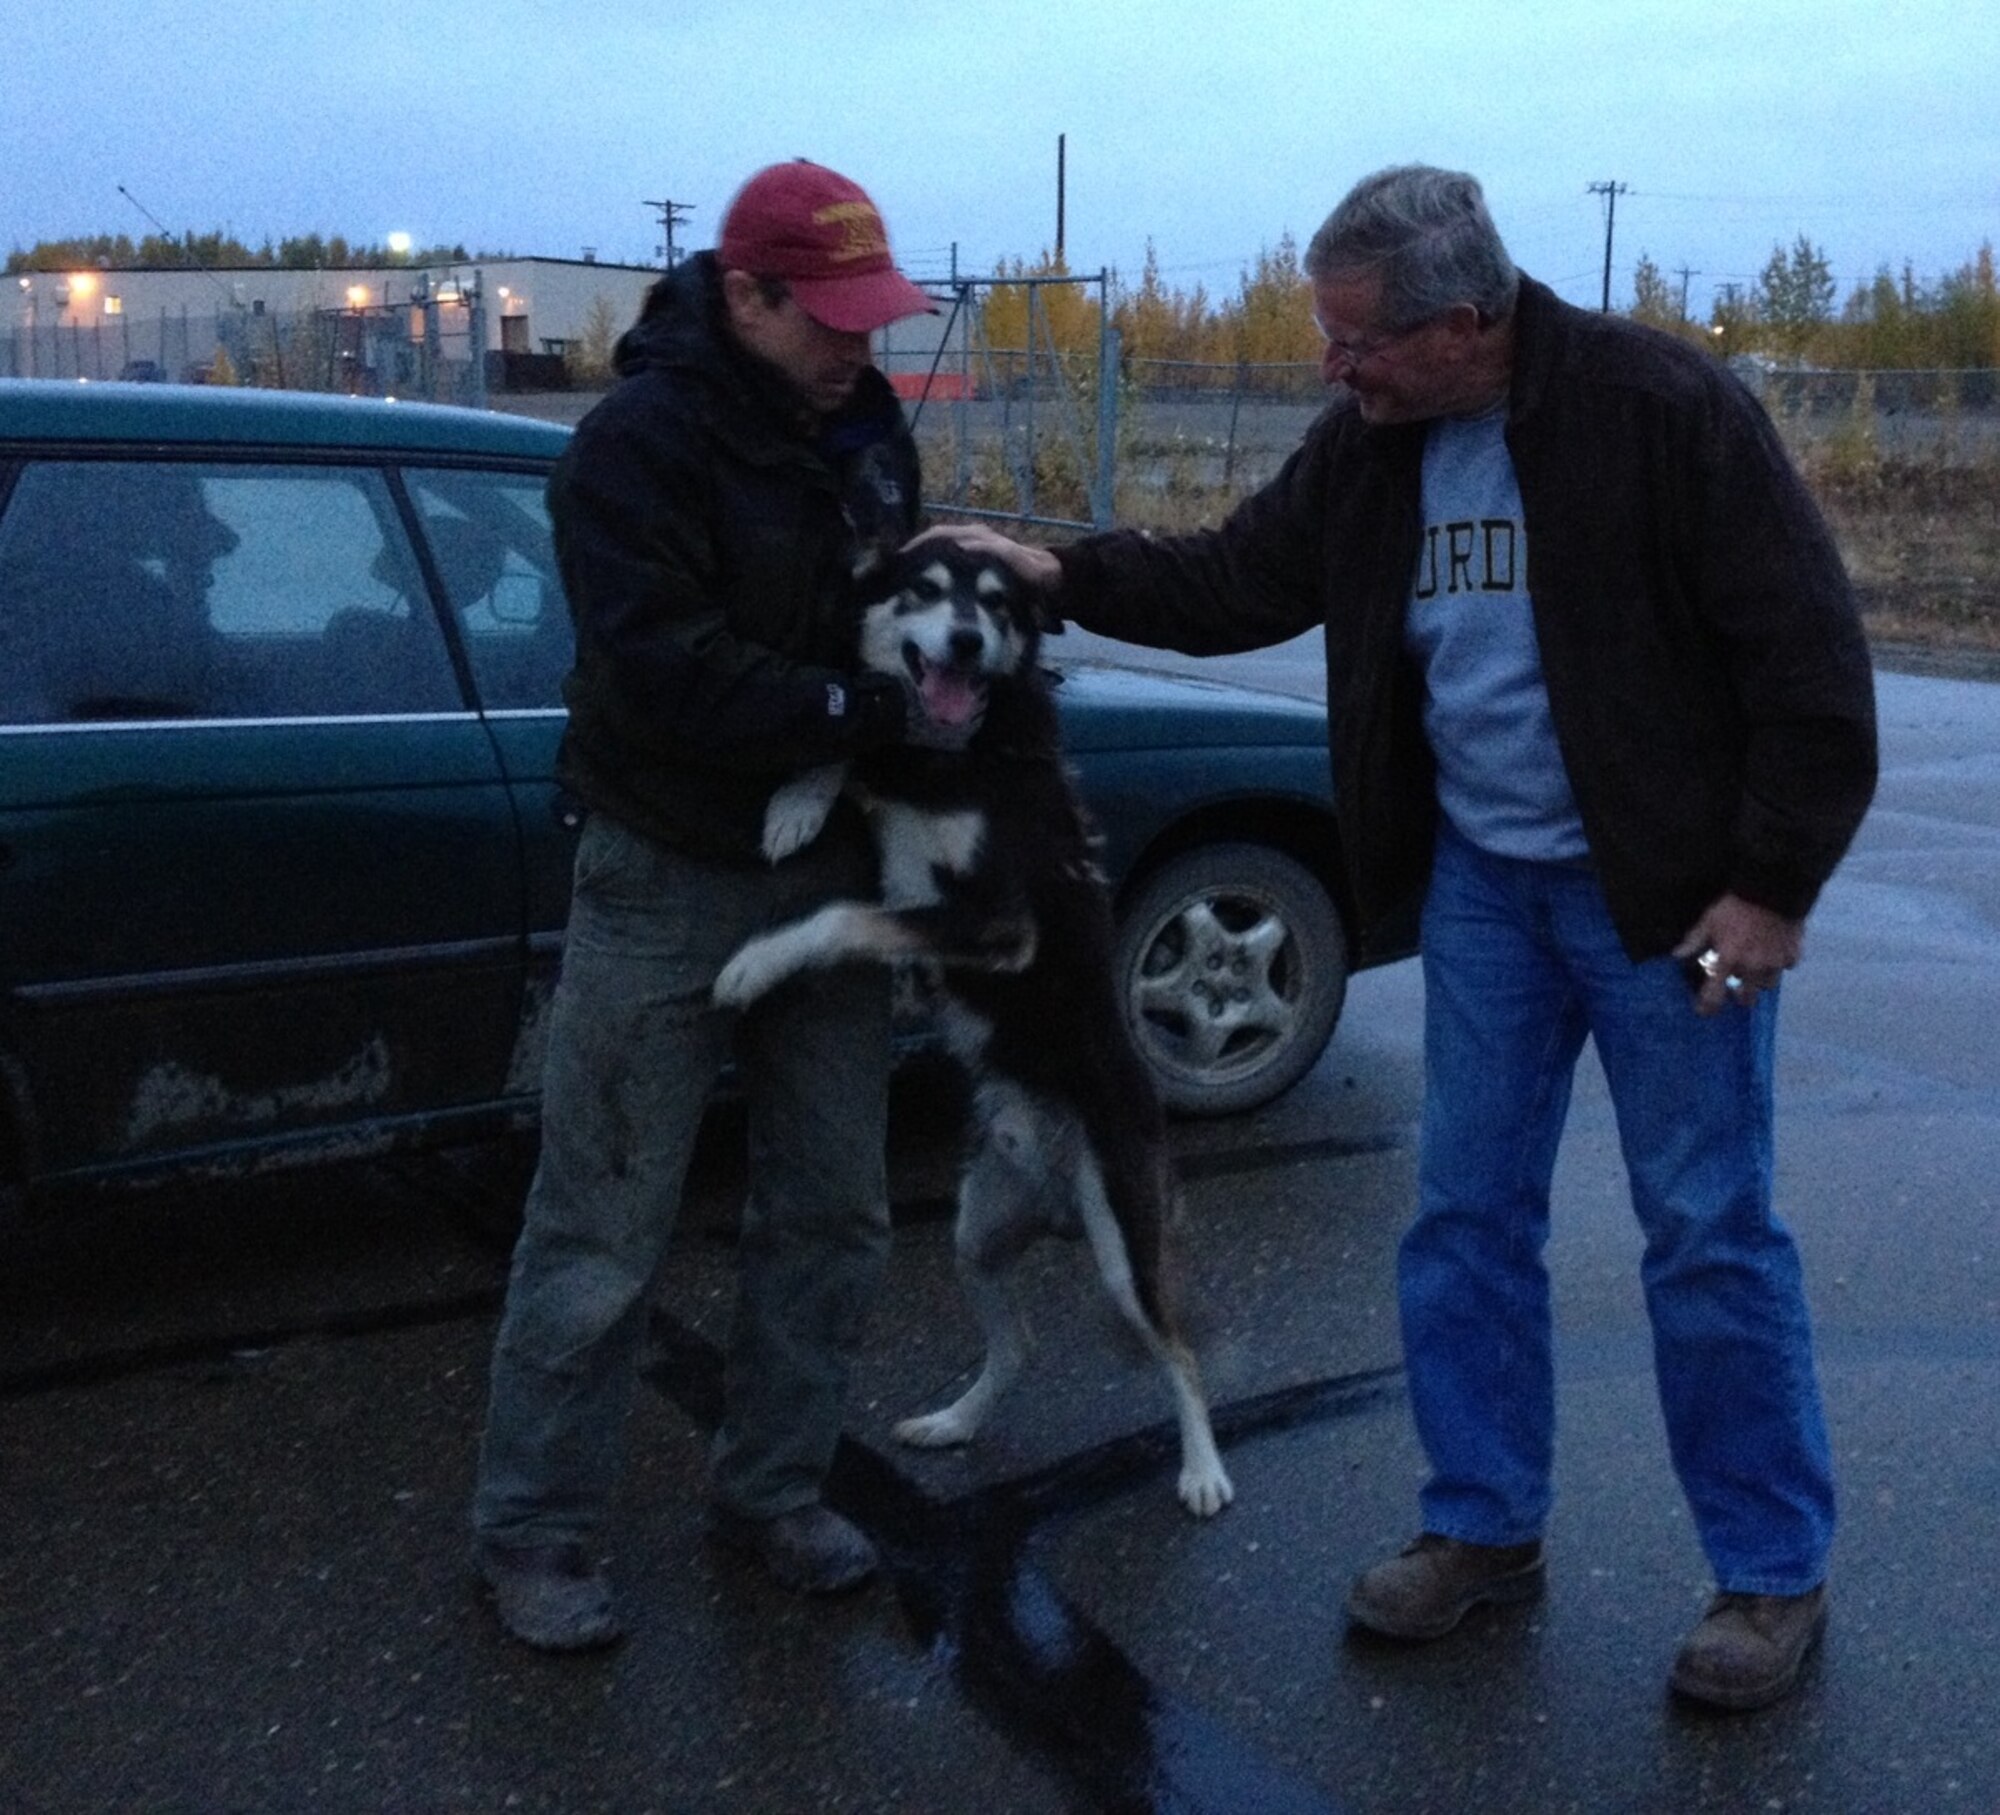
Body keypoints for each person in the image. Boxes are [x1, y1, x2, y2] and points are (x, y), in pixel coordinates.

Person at [924, 165, 1876, 1712]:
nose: (1331, 364)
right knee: (1464, 1223)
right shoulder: (1372, 452)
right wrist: (1064, 573)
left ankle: (1769, 1575)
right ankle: (1483, 1526)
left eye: (1357, 339)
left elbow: (1812, 662)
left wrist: (1768, 891)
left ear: (1464, 321)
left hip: (1669, 907)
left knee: (1708, 1230)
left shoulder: (1659, 413)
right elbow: (1237, 576)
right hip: (1488, 892)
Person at [471, 159, 956, 1651]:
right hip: (667, 868)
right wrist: (865, 710)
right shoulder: (634, 448)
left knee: (833, 1209)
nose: (861, 347)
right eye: (830, 317)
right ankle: (538, 1531)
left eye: (876, 317)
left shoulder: (863, 429)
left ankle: (774, 1488)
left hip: (835, 871)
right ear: (742, 295)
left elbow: (901, 602)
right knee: (605, 1222)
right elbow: (661, 665)